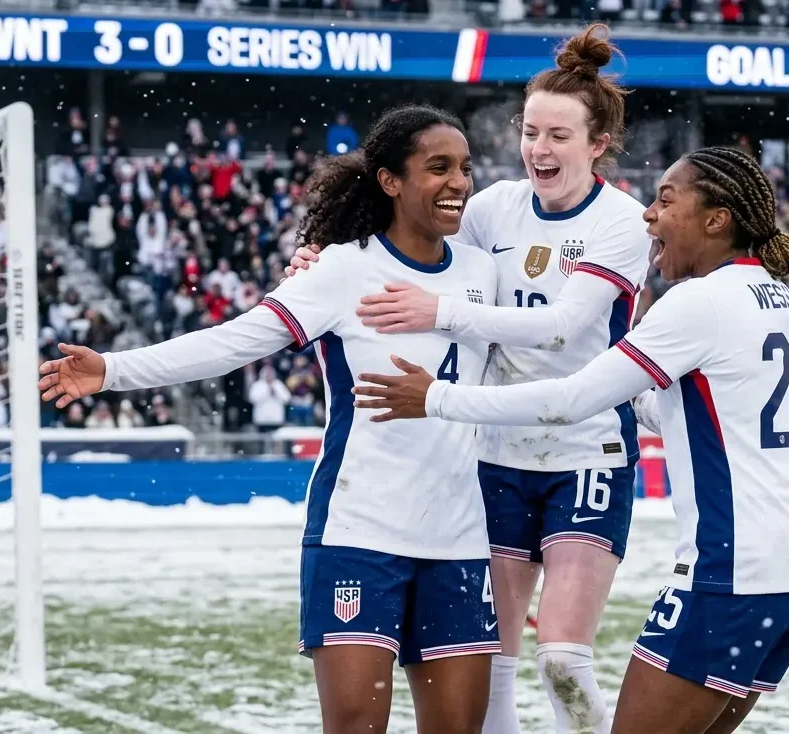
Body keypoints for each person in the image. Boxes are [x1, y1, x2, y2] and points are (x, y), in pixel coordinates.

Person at [38, 105, 502, 734]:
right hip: (359, 534)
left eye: (465, 168)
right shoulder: (342, 268)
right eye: (438, 167)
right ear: (390, 180)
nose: (458, 182)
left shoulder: (482, 271)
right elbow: (235, 340)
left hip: (459, 539)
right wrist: (114, 370)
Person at [348, 146, 789, 734]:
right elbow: (687, 412)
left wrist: (437, 398)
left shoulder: (699, 301)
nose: (649, 214)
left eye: (666, 201)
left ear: (716, 220)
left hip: (731, 572)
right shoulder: (775, 297)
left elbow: (570, 401)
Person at [288, 24, 651, 734]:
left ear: (597, 145)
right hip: (497, 452)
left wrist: (443, 311)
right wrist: (325, 256)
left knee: (562, 659)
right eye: (530, 132)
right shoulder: (493, 209)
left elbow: (560, 326)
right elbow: (415, 247)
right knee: (494, 666)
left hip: (587, 449)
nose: (539, 149)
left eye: (559, 136)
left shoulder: (623, 223)